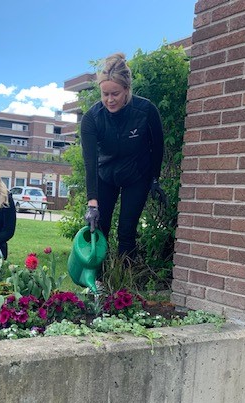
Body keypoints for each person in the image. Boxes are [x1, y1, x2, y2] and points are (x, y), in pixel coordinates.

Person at [81, 52, 166, 259]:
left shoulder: (146, 110)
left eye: (115, 94)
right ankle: (99, 285)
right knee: (99, 229)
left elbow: (158, 147)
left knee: (126, 231)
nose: (109, 100)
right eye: (105, 94)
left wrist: (154, 179)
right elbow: (90, 163)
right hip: (106, 175)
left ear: (127, 89)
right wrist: (92, 202)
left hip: (136, 175)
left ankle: (123, 287)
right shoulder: (92, 118)